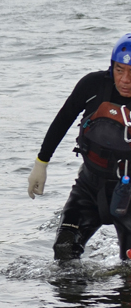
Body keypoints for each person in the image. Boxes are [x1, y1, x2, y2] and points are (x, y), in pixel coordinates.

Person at [27, 33, 131, 260]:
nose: (125, 80)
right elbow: (62, 120)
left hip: (130, 193)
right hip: (90, 186)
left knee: (128, 273)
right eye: (119, 69)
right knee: (64, 249)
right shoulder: (92, 85)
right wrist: (41, 163)